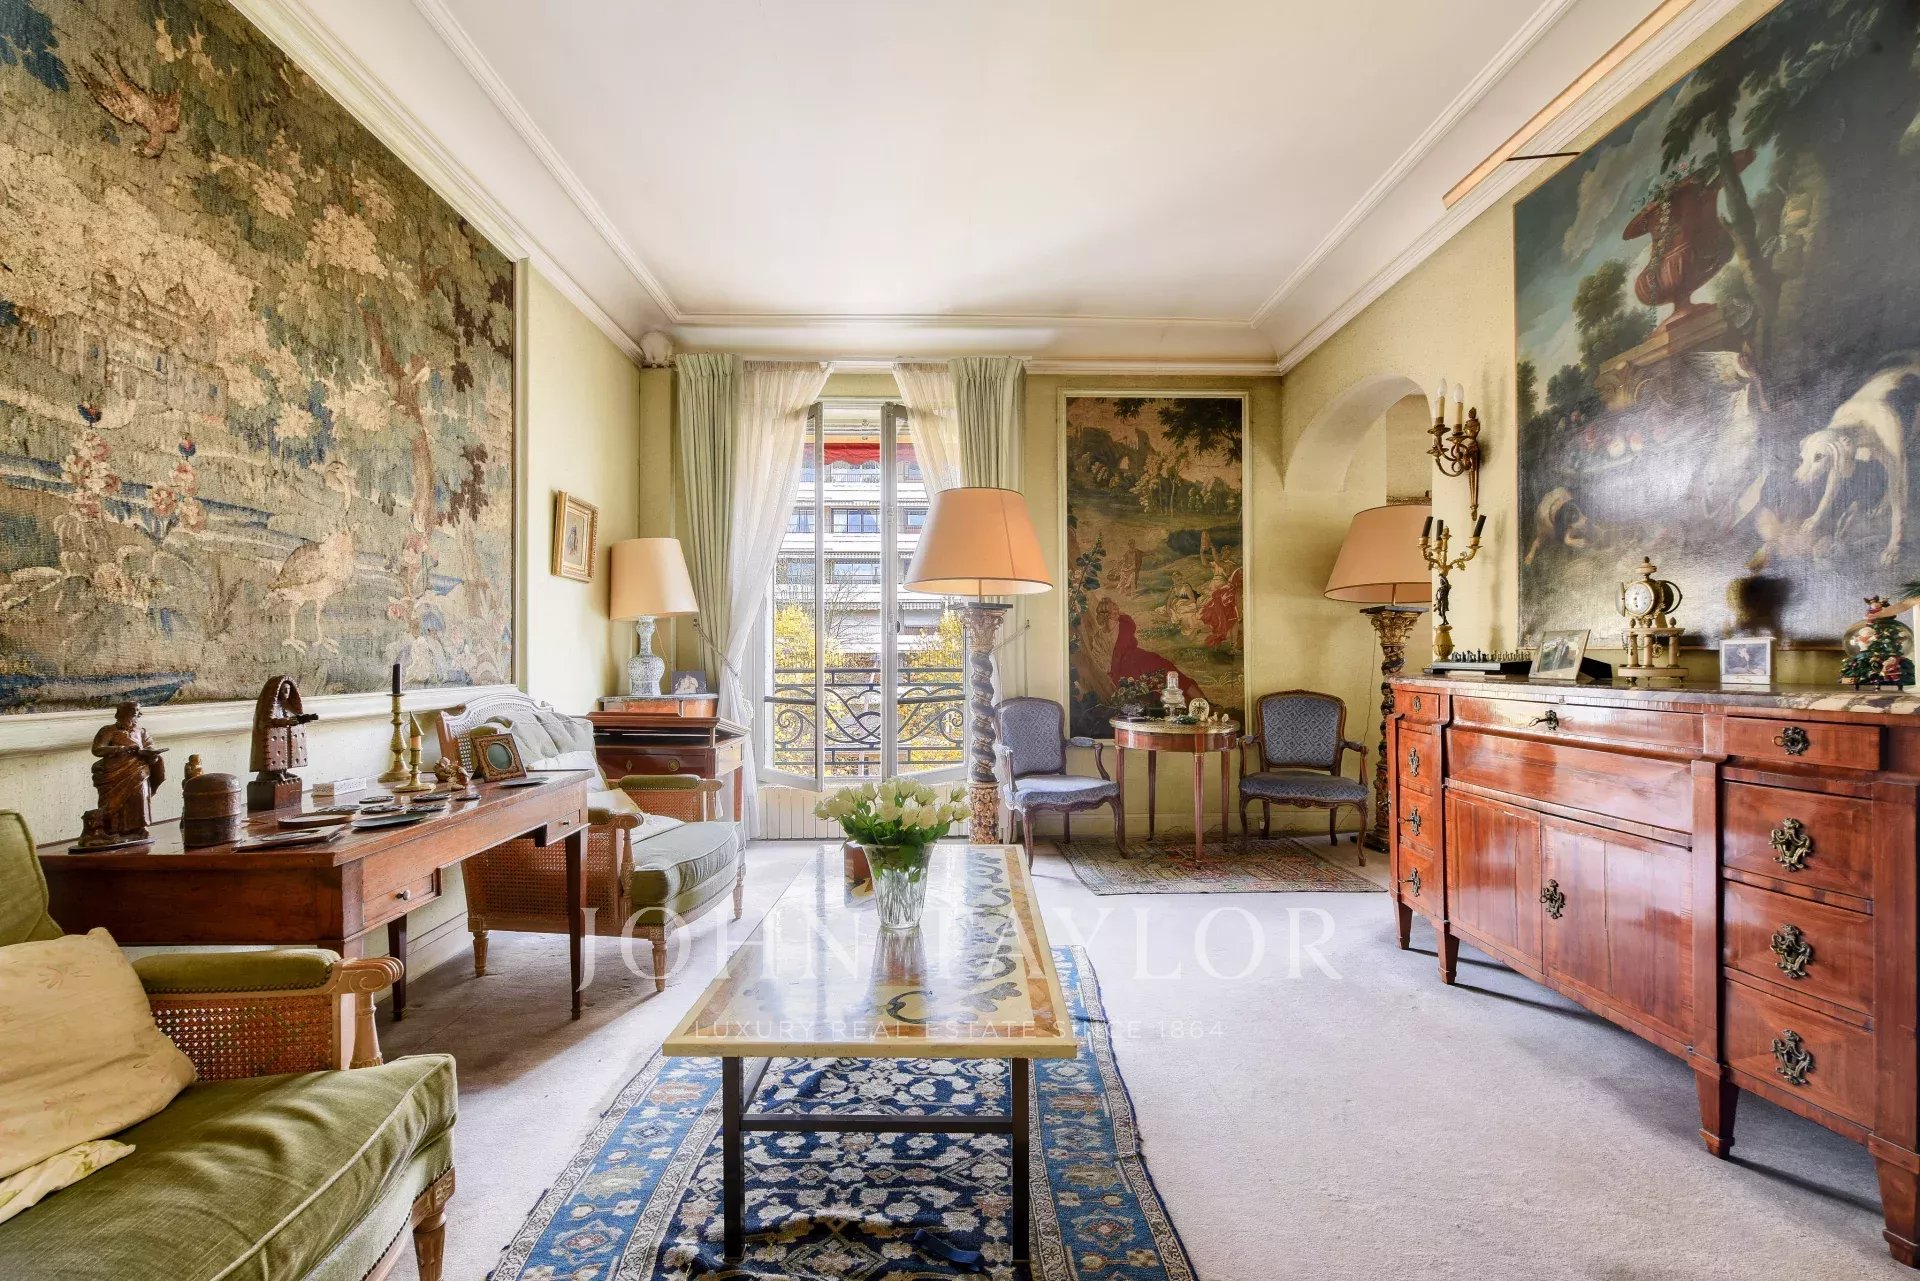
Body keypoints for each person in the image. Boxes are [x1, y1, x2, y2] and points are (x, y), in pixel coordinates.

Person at [89, 701, 166, 839]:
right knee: (113, 801)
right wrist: (119, 749)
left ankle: (140, 827)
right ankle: (112, 829)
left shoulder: (142, 732)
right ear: (122, 713)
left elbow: (150, 747)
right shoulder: (108, 731)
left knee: (139, 796)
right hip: (114, 772)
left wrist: (151, 755)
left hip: (138, 770)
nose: (138, 715)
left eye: (138, 712)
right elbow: (97, 749)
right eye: (134, 712)